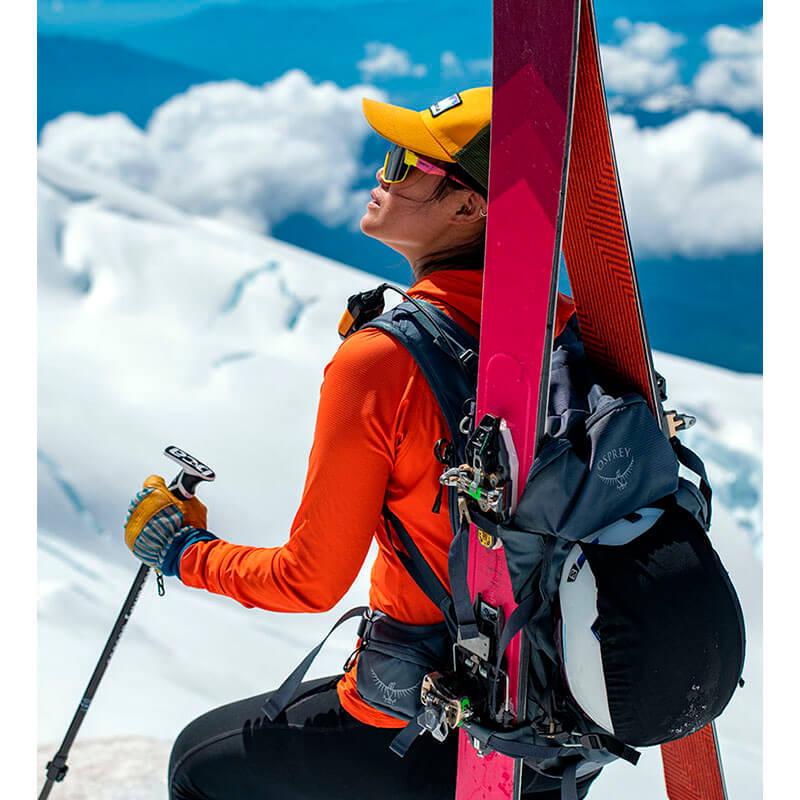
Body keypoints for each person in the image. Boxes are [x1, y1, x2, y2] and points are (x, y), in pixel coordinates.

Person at [123, 87, 594, 800]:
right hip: (559, 718)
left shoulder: (383, 361)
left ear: (471, 208)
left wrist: (182, 553)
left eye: (406, 164)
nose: (382, 176)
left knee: (199, 765)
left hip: (432, 722)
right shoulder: (569, 336)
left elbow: (307, 581)